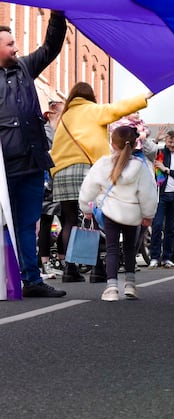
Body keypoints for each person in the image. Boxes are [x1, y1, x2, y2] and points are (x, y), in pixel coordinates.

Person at [50, 82, 151, 283]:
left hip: (61, 172)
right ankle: (97, 269)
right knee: (94, 218)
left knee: (69, 220)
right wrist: (144, 97)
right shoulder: (93, 110)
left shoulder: (65, 117)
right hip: (87, 168)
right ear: (90, 96)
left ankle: (70, 269)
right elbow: (118, 108)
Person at [0, 11, 67, 298]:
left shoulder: (25, 68)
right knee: (7, 224)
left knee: (27, 223)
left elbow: (51, 47)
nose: (17, 48)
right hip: (3, 167)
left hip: (30, 163)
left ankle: (31, 280)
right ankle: (7, 278)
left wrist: (57, 12)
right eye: (10, 43)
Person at [79, 126, 157, 301]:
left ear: (112, 144)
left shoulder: (103, 164)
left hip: (110, 212)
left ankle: (112, 288)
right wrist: (148, 215)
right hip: (133, 213)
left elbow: (89, 187)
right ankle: (130, 284)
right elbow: (147, 193)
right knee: (130, 249)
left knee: (112, 248)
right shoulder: (140, 166)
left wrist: (86, 208)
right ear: (135, 143)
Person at [148, 130, 174, 268]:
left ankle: (167, 258)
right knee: (157, 226)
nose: (172, 144)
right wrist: (156, 140)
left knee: (171, 228)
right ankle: (154, 257)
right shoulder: (160, 154)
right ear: (166, 141)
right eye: (170, 142)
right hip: (160, 195)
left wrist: (166, 169)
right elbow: (148, 151)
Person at [39, 100, 65, 278]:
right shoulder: (46, 132)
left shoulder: (62, 132)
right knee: (47, 223)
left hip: (61, 181)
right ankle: (45, 263)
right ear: (51, 114)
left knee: (68, 221)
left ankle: (63, 261)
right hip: (48, 183)